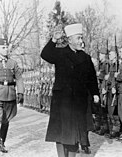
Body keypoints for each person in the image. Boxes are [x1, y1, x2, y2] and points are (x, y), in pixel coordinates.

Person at [41, 23, 99, 157]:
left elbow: (91, 78)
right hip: (62, 101)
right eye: (78, 38)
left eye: (81, 38)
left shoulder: (85, 58)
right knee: (61, 132)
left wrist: (95, 93)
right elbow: (45, 54)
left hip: (79, 101)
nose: (81, 41)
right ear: (70, 39)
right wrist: (53, 40)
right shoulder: (60, 53)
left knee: (76, 132)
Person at [0, 38, 24, 155]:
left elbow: (18, 78)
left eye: (7, 47)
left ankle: (2, 142)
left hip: (10, 95)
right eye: (3, 47)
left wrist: (20, 92)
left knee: (6, 120)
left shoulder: (13, 63)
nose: (6, 49)